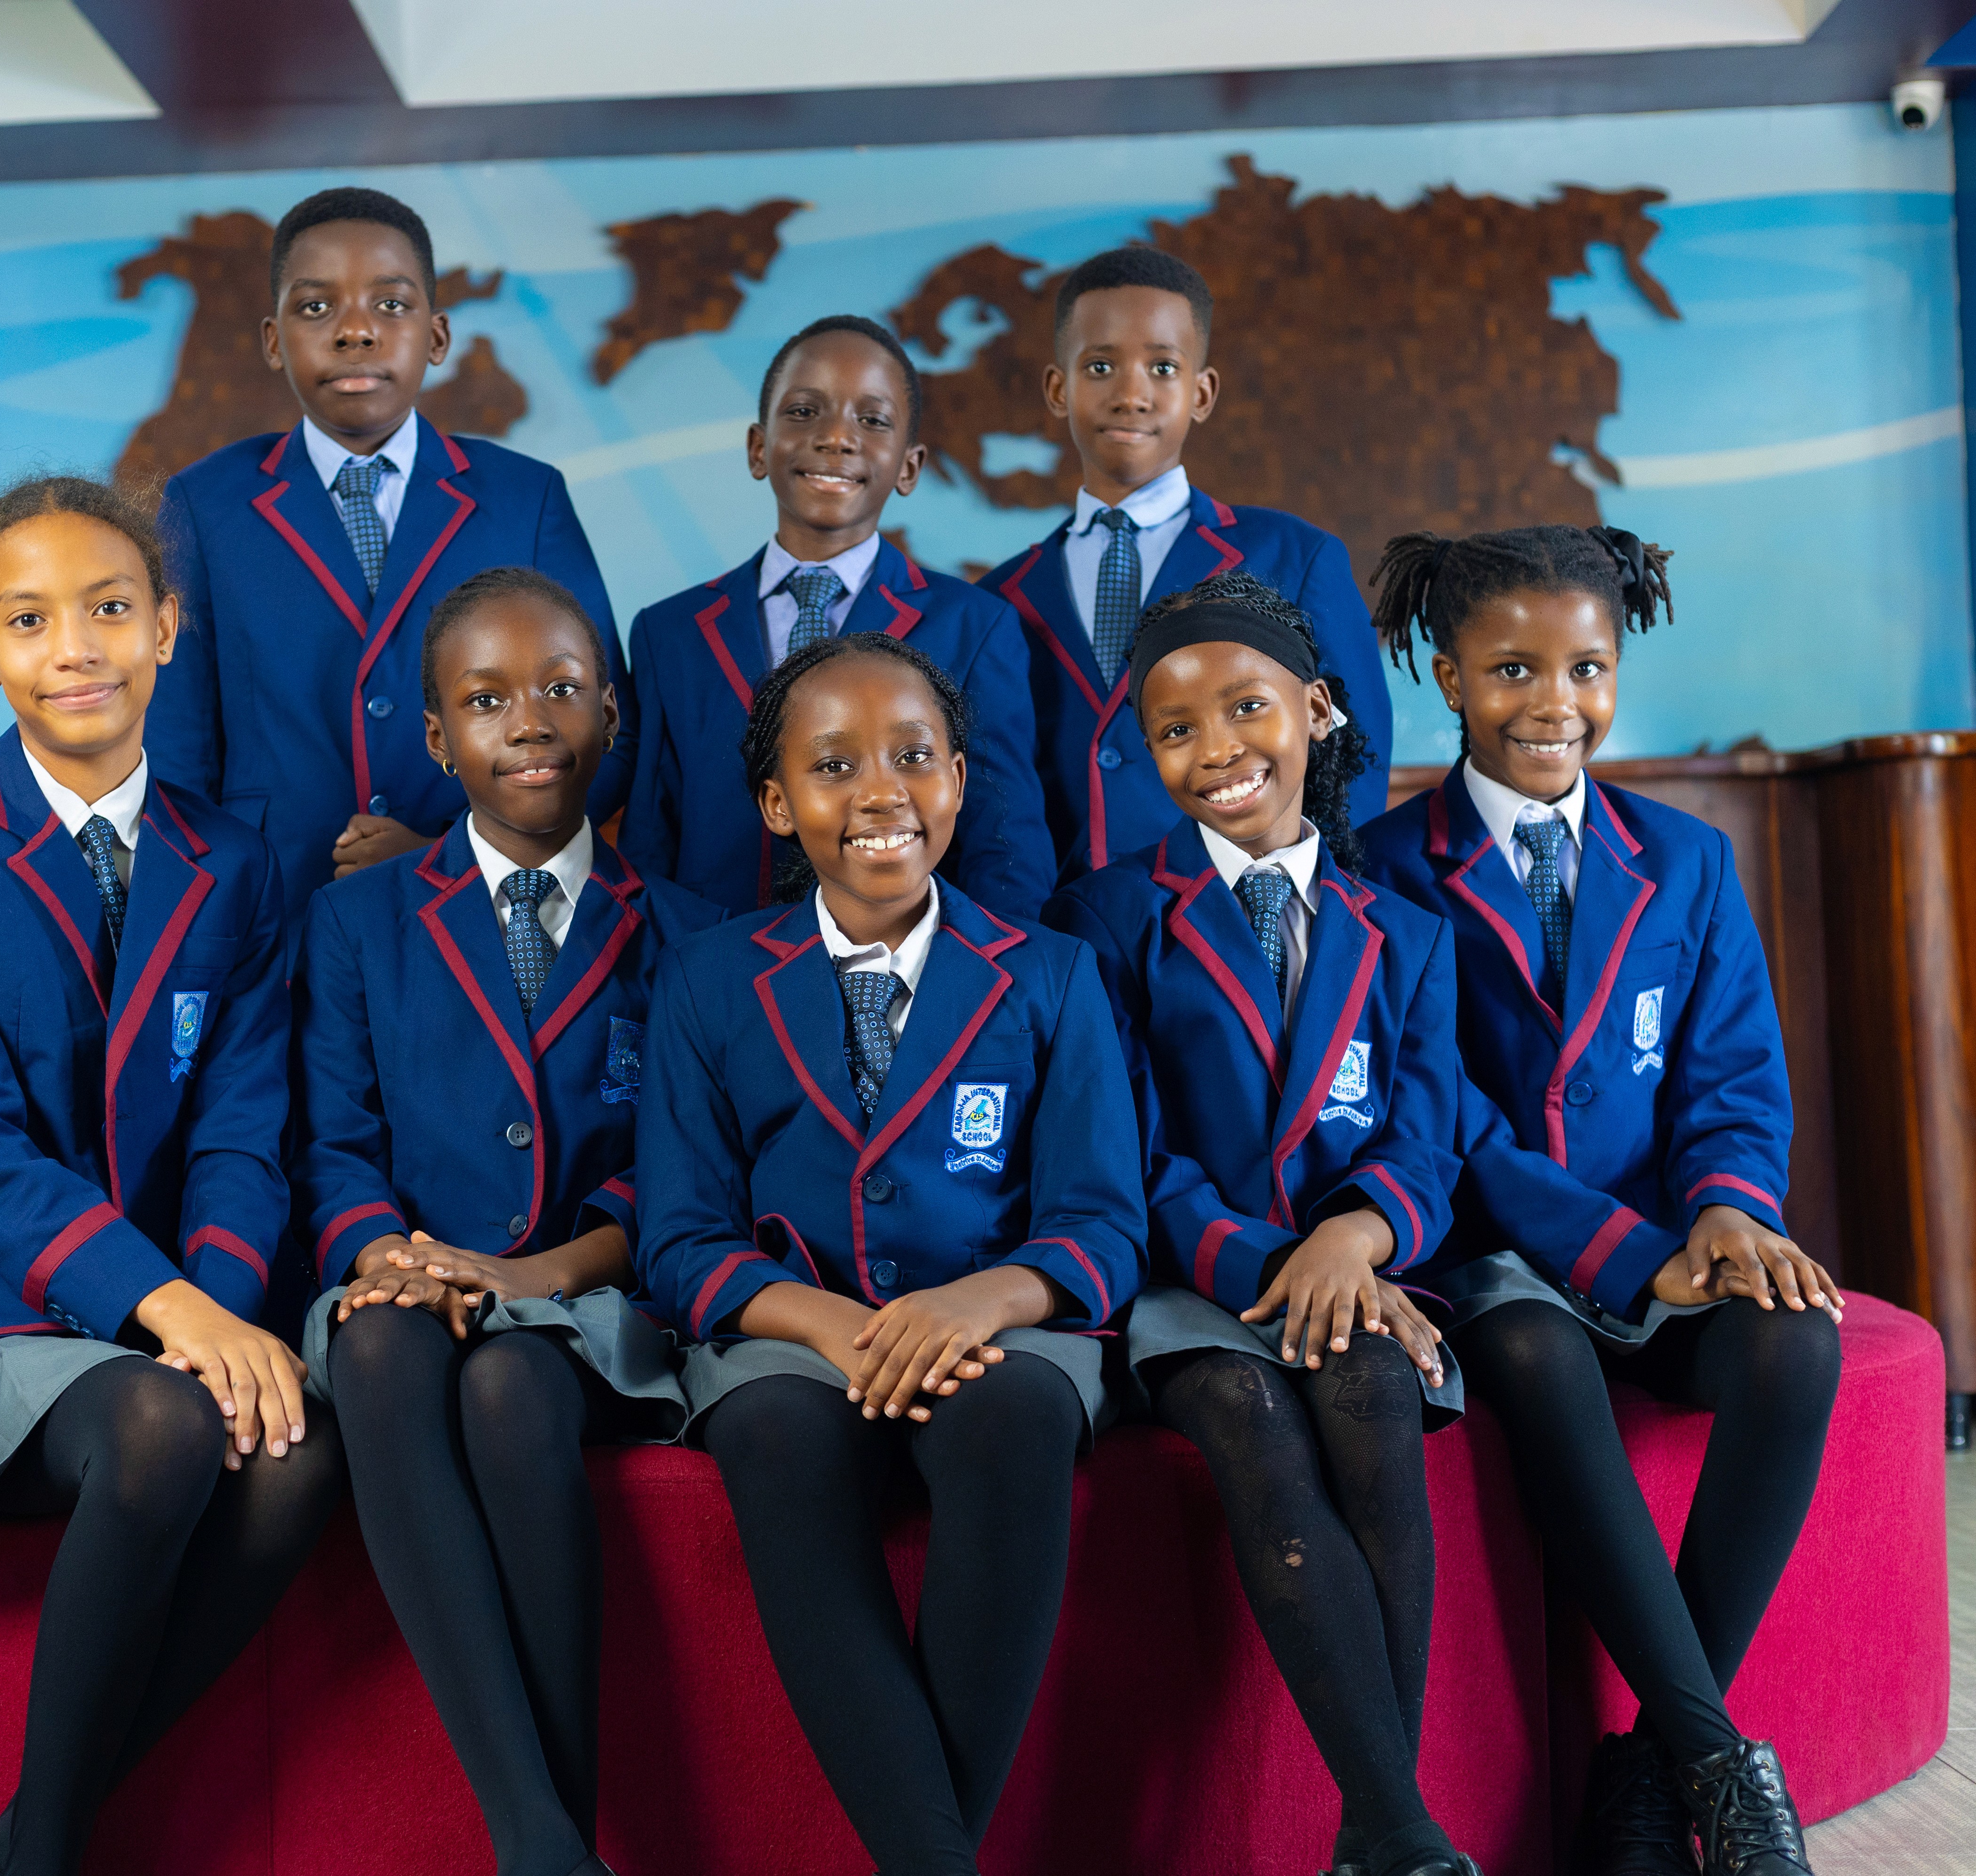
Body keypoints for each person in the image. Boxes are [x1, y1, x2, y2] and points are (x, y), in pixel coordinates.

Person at [0, 475, 345, 1876]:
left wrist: (227, 1316)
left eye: (111, 608)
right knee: (169, 1426)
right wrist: (178, 1317)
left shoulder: (231, 861)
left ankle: (10, 1851)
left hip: (156, 1321)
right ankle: (48, 1852)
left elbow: (245, 1134)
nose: (76, 645)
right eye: (30, 617)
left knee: (293, 1446)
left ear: (166, 629)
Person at [1359, 526, 1842, 1876]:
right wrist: (1628, 1256)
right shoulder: (1384, 868)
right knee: (1530, 1344)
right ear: (1447, 676)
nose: (1553, 701)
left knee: (1798, 1339)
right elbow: (1436, 1115)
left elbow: (1733, 1074)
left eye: (1586, 666)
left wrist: (1732, 1212)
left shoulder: (1684, 860)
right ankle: (1720, 1767)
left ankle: (1648, 1767)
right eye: (1512, 668)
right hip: (1499, 1249)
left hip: (1673, 1239)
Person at [636, 631, 1145, 1876]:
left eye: (914, 757)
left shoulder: (1055, 978)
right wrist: (827, 1327)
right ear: (776, 801)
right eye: (834, 764)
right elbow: (681, 1239)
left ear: (961, 781)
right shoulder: (707, 982)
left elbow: (1104, 1228)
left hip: (996, 1328)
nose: (880, 791)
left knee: (1019, 1416)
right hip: (792, 1342)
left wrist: (979, 1302)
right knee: (773, 1434)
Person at [1046, 570, 1474, 1876]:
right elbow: (1126, 1149)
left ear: (1322, 709)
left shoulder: (1404, 932)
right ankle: (1400, 1827)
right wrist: (1280, 1261)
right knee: (1247, 1412)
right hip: (1191, 1274)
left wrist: (1358, 1240)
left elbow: (1428, 1136)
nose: (1218, 750)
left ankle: (1373, 1833)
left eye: (1246, 710)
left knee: (1373, 1392)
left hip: (1356, 1266)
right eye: (1176, 730)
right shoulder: (1108, 915)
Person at [294, 566, 719, 1876]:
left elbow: (679, 1177)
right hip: (402, 1279)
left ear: (613, 716)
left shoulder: (692, 938)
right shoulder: (358, 920)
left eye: (560, 689)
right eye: (487, 701)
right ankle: (538, 1837)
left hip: (587, 1296)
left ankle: (552, 1837)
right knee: (377, 1346)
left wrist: (527, 1274)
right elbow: (335, 1142)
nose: (529, 720)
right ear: (438, 741)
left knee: (515, 1397)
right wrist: (394, 1257)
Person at [151, 186, 624, 917]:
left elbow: (600, 732)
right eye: (316, 309)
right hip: (275, 912)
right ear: (274, 342)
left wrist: (458, 856)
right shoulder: (204, 505)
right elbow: (176, 750)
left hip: (484, 911)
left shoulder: (525, 499)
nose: (355, 333)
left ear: (437, 338)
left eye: (391, 305)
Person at [977, 247, 1393, 881]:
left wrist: (1321, 912)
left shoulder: (1296, 556)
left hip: (1243, 925)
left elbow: (1353, 763)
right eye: (1100, 366)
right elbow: (995, 799)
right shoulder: (998, 599)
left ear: (1201, 393)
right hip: (1063, 940)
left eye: (1163, 367)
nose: (1131, 393)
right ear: (1058, 390)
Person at [622, 314, 1053, 920]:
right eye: (803, 412)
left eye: (872, 421)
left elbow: (1004, 844)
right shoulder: (669, 633)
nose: (836, 437)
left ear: (909, 466)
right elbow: (651, 842)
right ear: (757, 447)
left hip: (910, 978)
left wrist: (989, 991)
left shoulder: (975, 628)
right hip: (717, 983)